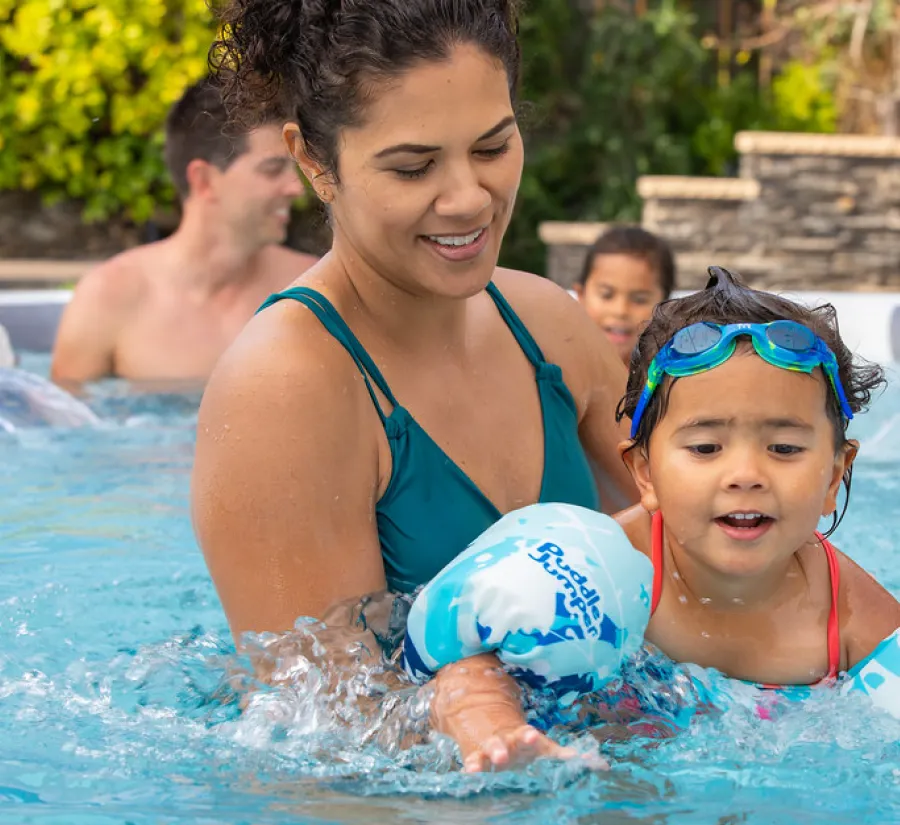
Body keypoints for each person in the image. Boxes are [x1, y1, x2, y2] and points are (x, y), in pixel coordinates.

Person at [191, 2, 638, 664]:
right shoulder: (286, 389)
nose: (468, 198)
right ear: (315, 163)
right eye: (412, 167)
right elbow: (325, 733)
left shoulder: (548, 326)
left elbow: (715, 548)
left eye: (492, 147)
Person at [432, 267, 900, 772]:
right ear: (645, 472)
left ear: (834, 475)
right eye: (705, 447)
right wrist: (495, 730)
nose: (746, 475)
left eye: (784, 448)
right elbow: (466, 673)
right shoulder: (600, 573)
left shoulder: (852, 616)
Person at [50, 77, 316, 387]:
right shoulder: (109, 298)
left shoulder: (312, 289)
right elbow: (64, 427)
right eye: (272, 170)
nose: (297, 188)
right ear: (204, 180)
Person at [572, 226, 676, 365]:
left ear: (667, 308)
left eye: (639, 300)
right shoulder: (558, 370)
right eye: (606, 295)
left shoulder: (678, 380)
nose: (621, 311)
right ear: (581, 295)